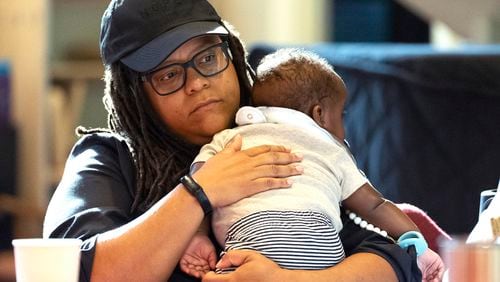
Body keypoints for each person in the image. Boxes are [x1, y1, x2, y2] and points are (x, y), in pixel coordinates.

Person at [43, 0, 422, 281]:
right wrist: (201, 190)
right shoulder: (111, 159)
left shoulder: (282, 141)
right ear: (134, 95)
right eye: (167, 75)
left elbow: (393, 262)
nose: (197, 83)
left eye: (207, 57)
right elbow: (68, 270)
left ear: (233, 55)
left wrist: (286, 280)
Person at [181, 49, 444, 281]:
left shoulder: (231, 138)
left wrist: (198, 236)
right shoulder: (330, 149)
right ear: (318, 114)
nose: (344, 128)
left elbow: (201, 190)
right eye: (341, 115)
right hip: (320, 251)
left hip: (249, 247)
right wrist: (416, 242)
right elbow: (375, 205)